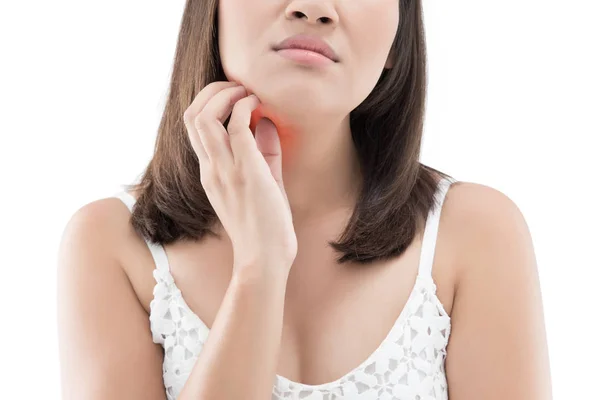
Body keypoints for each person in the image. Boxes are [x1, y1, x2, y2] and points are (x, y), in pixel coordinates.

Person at [57, 1, 553, 399]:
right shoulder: (110, 244)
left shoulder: (476, 233)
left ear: (398, 40)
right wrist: (260, 267)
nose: (315, 9)